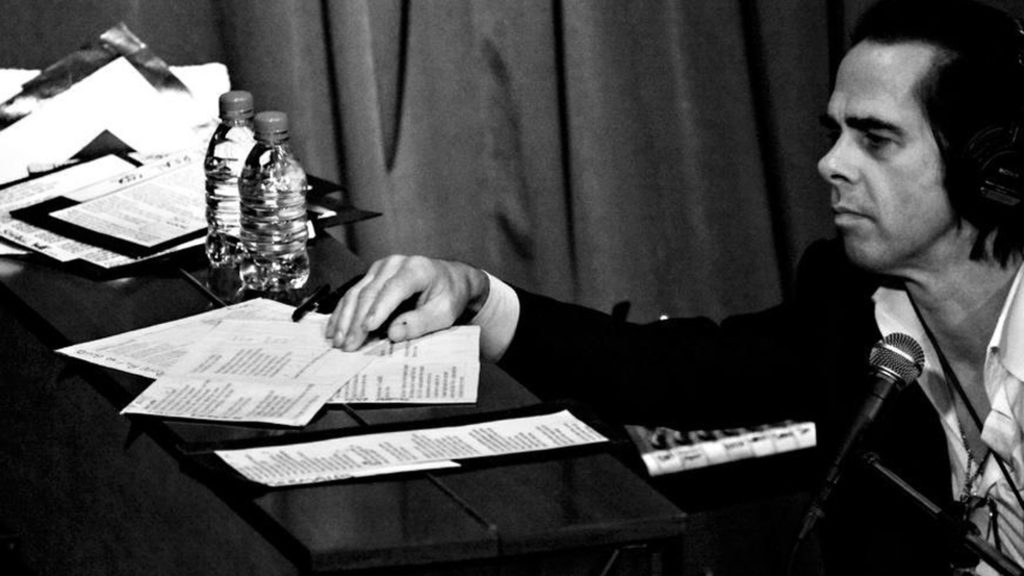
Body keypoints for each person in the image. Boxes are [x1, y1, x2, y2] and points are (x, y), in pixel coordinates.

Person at [326, 0, 1024, 573]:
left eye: (875, 138)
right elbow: (669, 370)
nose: (830, 163)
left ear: (988, 164)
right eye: (835, 133)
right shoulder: (847, 298)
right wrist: (478, 294)